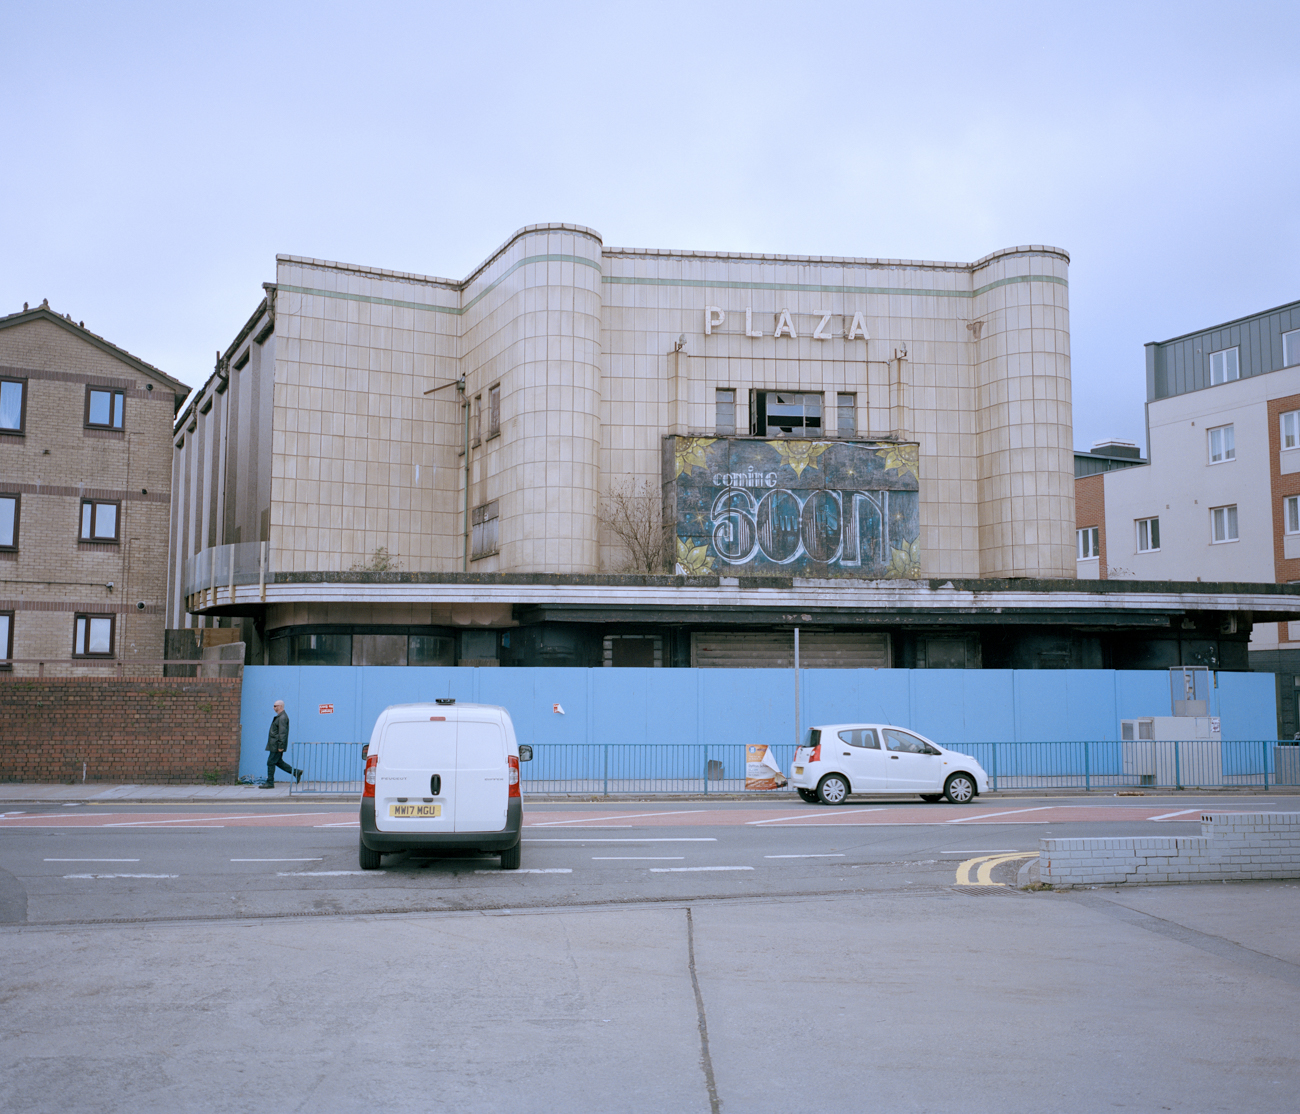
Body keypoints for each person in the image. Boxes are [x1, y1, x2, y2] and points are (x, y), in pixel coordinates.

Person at [263, 700, 303, 787]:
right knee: (278, 762)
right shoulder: (280, 717)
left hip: (276, 745)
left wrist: (281, 746)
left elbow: (282, 733)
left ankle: (270, 783)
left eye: (275, 706)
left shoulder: (282, 717)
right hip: (275, 744)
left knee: (270, 762)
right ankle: (296, 772)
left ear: (280, 706)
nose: (273, 708)